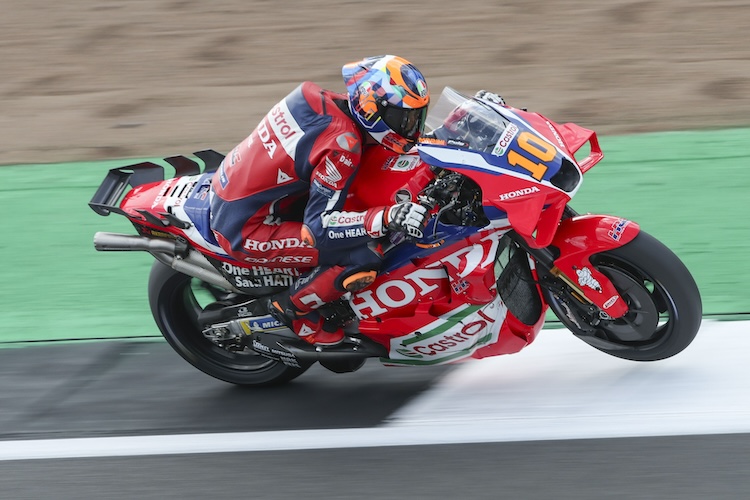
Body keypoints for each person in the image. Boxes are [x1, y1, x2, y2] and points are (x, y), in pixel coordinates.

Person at [209, 55, 431, 346]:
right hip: (246, 230)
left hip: (238, 190)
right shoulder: (342, 145)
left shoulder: (319, 98)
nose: (412, 129)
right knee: (363, 254)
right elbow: (318, 229)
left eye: (417, 118)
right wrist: (387, 217)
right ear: (371, 108)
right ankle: (291, 310)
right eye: (405, 119)